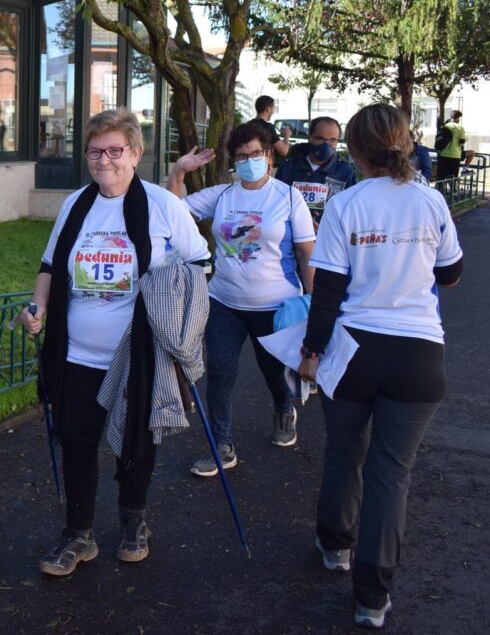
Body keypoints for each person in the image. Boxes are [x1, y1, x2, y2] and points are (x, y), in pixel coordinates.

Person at [20, 108, 210, 576]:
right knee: (78, 441)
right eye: (94, 151)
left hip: (138, 353)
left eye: (114, 151)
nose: (103, 160)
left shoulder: (165, 205)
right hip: (77, 351)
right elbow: (49, 267)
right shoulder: (75, 205)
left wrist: (173, 309)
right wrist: (39, 308)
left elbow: (201, 266)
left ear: (136, 154)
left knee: (135, 443)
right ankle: (79, 534)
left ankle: (133, 520)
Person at [299, 103, 463, 629]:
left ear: (355, 149)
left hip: (354, 352)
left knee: (344, 454)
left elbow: (327, 291)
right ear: (404, 141)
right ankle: (372, 598)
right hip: (419, 355)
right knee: (392, 474)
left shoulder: (346, 204)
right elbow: (451, 273)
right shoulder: (431, 200)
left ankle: (334, 545)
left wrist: (310, 353)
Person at [167, 122, 315, 475]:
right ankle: (221, 444)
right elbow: (171, 214)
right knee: (219, 371)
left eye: (256, 154)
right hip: (224, 302)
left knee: (273, 371)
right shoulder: (222, 196)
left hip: (276, 306)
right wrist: (178, 172)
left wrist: (315, 306)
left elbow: (307, 255)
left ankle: (283, 409)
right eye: (241, 156)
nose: (249, 161)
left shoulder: (290, 198)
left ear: (268, 154)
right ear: (234, 161)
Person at [273, 116, 357, 227]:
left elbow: (351, 211)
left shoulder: (345, 172)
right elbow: (276, 205)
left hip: (328, 237)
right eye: (320, 138)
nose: (326, 144)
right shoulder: (288, 168)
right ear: (310, 137)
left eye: (333, 140)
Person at [434, 109, 467, 180]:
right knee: (453, 177)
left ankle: (440, 189)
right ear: (458, 118)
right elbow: (461, 142)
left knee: (441, 177)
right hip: (455, 155)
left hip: (443, 154)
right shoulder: (460, 128)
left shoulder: (444, 126)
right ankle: (453, 190)